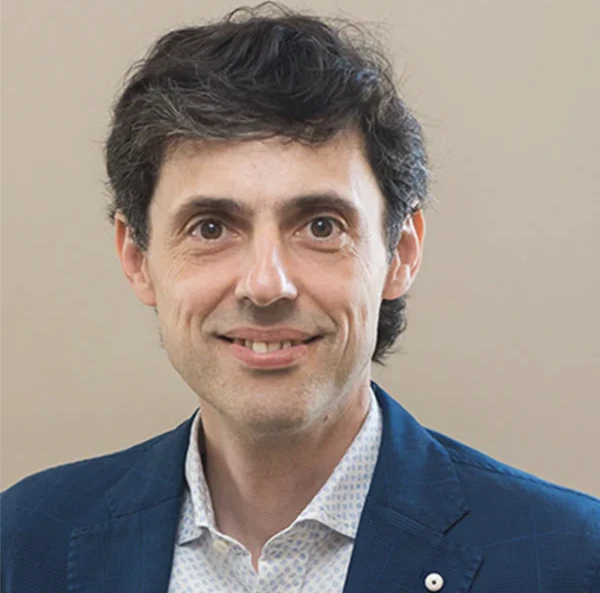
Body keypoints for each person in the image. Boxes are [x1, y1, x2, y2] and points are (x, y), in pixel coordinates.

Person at [2, 4, 599, 592]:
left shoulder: (573, 562)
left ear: (401, 253)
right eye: (211, 228)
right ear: (138, 258)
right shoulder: (23, 544)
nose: (267, 285)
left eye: (320, 226)